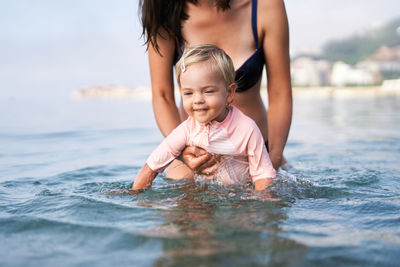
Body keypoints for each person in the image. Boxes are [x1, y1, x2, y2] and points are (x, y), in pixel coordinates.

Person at [140, 0, 292, 178]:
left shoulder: (266, 5)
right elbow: (162, 95)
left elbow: (280, 93)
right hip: (192, 156)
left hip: (258, 152)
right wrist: (183, 154)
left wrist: (273, 157)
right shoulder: (164, 10)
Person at [133, 44, 276, 190]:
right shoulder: (187, 130)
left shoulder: (246, 129)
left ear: (229, 93)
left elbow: (263, 175)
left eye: (208, 91)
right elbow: (152, 166)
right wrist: (135, 194)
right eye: (188, 93)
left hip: (241, 193)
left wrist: (261, 207)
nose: (197, 100)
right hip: (209, 192)